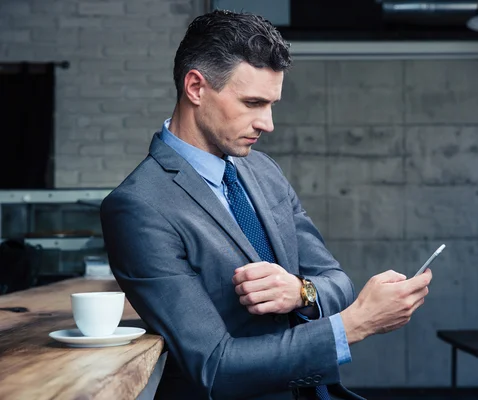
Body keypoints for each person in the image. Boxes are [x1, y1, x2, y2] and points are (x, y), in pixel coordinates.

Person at [100, 10, 432, 400]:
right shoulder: (138, 207)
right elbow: (215, 365)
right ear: (195, 87)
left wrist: (301, 291)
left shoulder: (262, 170)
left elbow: (336, 281)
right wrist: (354, 325)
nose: (267, 123)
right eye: (253, 102)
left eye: (271, 104)